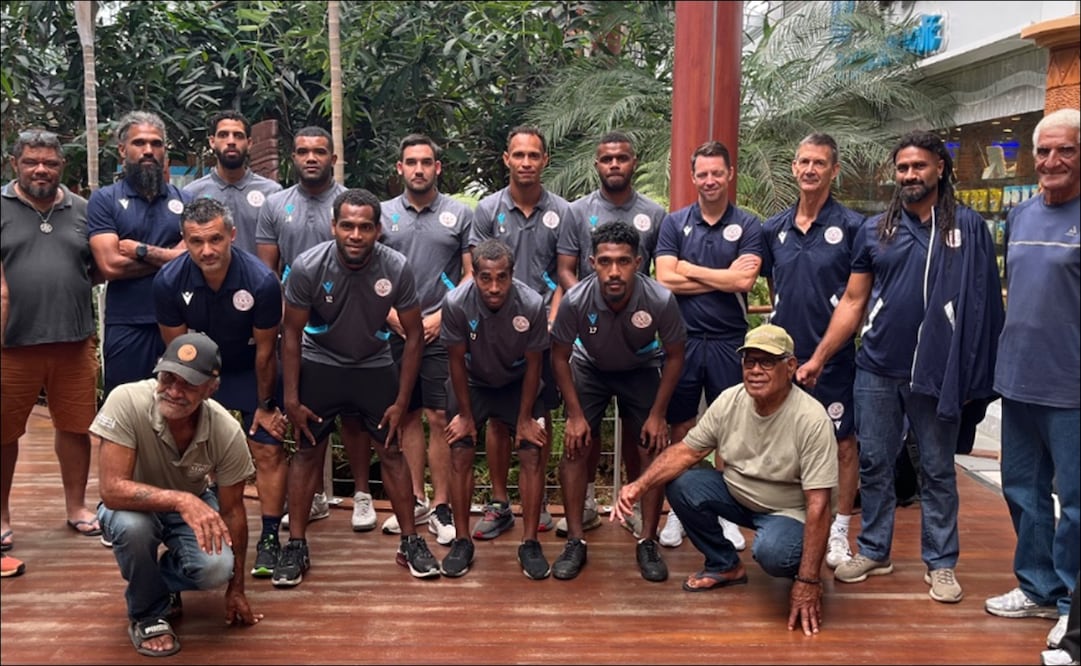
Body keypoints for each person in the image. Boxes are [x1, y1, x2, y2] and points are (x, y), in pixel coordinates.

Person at [798, 130, 1004, 604]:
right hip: (876, 366)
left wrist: (977, 374)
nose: (910, 175)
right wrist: (819, 357)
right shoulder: (875, 229)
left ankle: (941, 563)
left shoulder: (967, 227)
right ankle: (874, 549)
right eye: (903, 168)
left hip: (937, 372)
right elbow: (853, 300)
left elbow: (984, 303)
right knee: (874, 462)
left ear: (940, 168)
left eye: (919, 166)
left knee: (936, 468)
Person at [614, 324, 836, 636]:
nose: (755, 371)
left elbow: (819, 505)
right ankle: (724, 564)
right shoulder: (731, 400)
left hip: (787, 512)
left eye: (767, 362)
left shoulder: (811, 419)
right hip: (738, 494)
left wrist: (808, 582)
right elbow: (686, 452)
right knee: (682, 483)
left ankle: (804, 566)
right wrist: (638, 486)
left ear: (790, 367)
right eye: (749, 362)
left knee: (773, 553)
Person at [277, 188, 439, 586]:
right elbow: (291, 333)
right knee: (307, 451)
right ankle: (296, 544)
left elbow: (415, 335)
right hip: (321, 362)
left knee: (392, 451)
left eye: (365, 227)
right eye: (347, 225)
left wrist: (402, 401)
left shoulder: (396, 267)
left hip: (373, 364)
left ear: (378, 230)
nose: (355, 234)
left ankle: (410, 541)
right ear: (334, 226)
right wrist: (292, 399)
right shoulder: (307, 266)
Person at [92, 333, 262, 657]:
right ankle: (147, 613)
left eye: (188, 383)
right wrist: (182, 500)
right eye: (168, 376)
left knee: (215, 567)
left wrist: (236, 586)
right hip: (131, 506)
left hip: (195, 502)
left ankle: (158, 583)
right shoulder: (126, 400)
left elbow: (233, 511)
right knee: (133, 528)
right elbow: (112, 489)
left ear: (211, 388)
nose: (173, 390)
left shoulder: (226, 430)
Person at [153, 197, 288, 580]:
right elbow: (176, 354)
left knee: (266, 446)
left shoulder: (261, 281)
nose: (207, 250)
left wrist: (265, 405)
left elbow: (266, 353)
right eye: (196, 241)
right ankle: (192, 527)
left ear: (232, 234)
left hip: (248, 369)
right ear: (184, 240)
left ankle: (270, 537)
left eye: (215, 239)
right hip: (195, 373)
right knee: (183, 445)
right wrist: (189, 400)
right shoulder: (168, 282)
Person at [986, 108, 1080, 650]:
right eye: (1043, 152)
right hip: (1019, 380)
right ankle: (1039, 586)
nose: (1051, 162)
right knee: (1022, 490)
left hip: (1072, 389)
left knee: (1076, 504)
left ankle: (1073, 603)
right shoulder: (1020, 217)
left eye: (1064, 150)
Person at [551, 221, 686, 581]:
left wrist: (658, 414)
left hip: (641, 368)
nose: (614, 271)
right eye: (606, 261)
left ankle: (647, 540)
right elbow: (559, 356)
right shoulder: (576, 300)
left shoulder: (659, 299)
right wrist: (575, 415)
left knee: (652, 446)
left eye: (623, 261)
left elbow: (675, 355)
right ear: (592, 262)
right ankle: (576, 540)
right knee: (576, 446)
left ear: (638, 262)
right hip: (589, 367)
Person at [255, 126, 370, 530]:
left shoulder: (351, 205)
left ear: (333, 159)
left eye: (319, 151)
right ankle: (316, 497)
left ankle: (361, 496)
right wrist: (283, 320)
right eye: (302, 151)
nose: (311, 158)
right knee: (310, 417)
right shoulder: (274, 204)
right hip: (296, 326)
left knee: (356, 415)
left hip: (348, 324)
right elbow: (267, 271)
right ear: (293, 157)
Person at [554, 130, 666, 540]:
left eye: (622, 158)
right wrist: (585, 306)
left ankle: (636, 508)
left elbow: (658, 274)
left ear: (634, 162)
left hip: (639, 345)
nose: (614, 165)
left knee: (643, 436)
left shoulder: (655, 214)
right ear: (596, 165)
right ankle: (583, 507)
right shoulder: (577, 211)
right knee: (582, 431)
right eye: (606, 159)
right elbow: (566, 267)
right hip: (590, 340)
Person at [760, 133, 864, 568]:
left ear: (834, 170)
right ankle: (793, 520)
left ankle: (839, 530)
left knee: (842, 444)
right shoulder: (773, 229)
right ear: (793, 167)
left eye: (819, 163)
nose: (809, 169)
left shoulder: (855, 227)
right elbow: (774, 288)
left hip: (833, 361)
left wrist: (819, 357)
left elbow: (855, 300)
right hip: (785, 360)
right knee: (785, 442)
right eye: (803, 161)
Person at [654, 140, 764, 549]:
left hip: (729, 341)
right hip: (682, 342)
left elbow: (744, 282)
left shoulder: (749, 225)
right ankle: (681, 511)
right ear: (692, 176)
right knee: (682, 427)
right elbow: (664, 278)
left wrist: (688, 268)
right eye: (702, 173)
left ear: (730, 174)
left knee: (730, 430)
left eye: (718, 172)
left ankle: (725, 511)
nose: (710, 180)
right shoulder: (674, 223)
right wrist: (720, 274)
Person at [468, 125, 573, 538]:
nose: (526, 162)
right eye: (519, 155)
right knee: (497, 419)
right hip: (494, 331)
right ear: (506, 160)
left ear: (545, 160)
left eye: (534, 156)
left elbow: (566, 272)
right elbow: (473, 271)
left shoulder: (562, 211)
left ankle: (538, 501)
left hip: (541, 331)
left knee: (538, 417)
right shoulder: (487, 210)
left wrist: (552, 320)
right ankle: (498, 503)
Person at [1, 130, 102, 554]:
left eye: (50, 163)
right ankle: (1, 516)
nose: (40, 169)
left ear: (63, 167)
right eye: (30, 162)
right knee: (3, 433)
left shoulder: (81, 209)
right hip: (11, 345)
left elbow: (96, 267)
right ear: (14, 164)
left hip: (74, 342)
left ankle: (77, 507)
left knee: (76, 428)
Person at [378, 134, 475, 544]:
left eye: (427, 162)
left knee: (439, 416)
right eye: (411, 162)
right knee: (406, 414)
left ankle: (441, 506)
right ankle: (415, 498)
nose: (419, 169)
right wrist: (391, 314)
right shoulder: (381, 214)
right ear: (399, 168)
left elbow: (472, 274)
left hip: (441, 329)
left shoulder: (459, 214)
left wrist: (439, 315)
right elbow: (367, 270)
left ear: (438, 167)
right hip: (395, 327)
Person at [440, 239, 549, 578]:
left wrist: (526, 418)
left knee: (532, 451)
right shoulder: (456, 303)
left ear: (512, 275)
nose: (494, 287)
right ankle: (461, 540)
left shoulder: (531, 304)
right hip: (473, 381)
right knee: (459, 449)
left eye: (502, 278)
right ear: (474, 275)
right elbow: (455, 362)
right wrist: (466, 416)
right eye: (486, 278)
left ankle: (530, 542)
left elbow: (535, 365)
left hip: (518, 381)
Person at [88, 111, 190, 395]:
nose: (148, 150)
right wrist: (171, 257)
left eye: (156, 143)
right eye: (139, 143)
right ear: (122, 149)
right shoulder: (104, 200)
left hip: (179, 322)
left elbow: (196, 256)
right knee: (124, 408)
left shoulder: (186, 201)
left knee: (178, 407)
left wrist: (140, 250)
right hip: (127, 324)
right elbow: (110, 266)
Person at [182, 110, 282, 255]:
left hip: (256, 277)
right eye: (223, 135)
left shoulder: (272, 193)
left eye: (238, 136)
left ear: (249, 143)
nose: (231, 142)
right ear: (212, 142)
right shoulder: (192, 193)